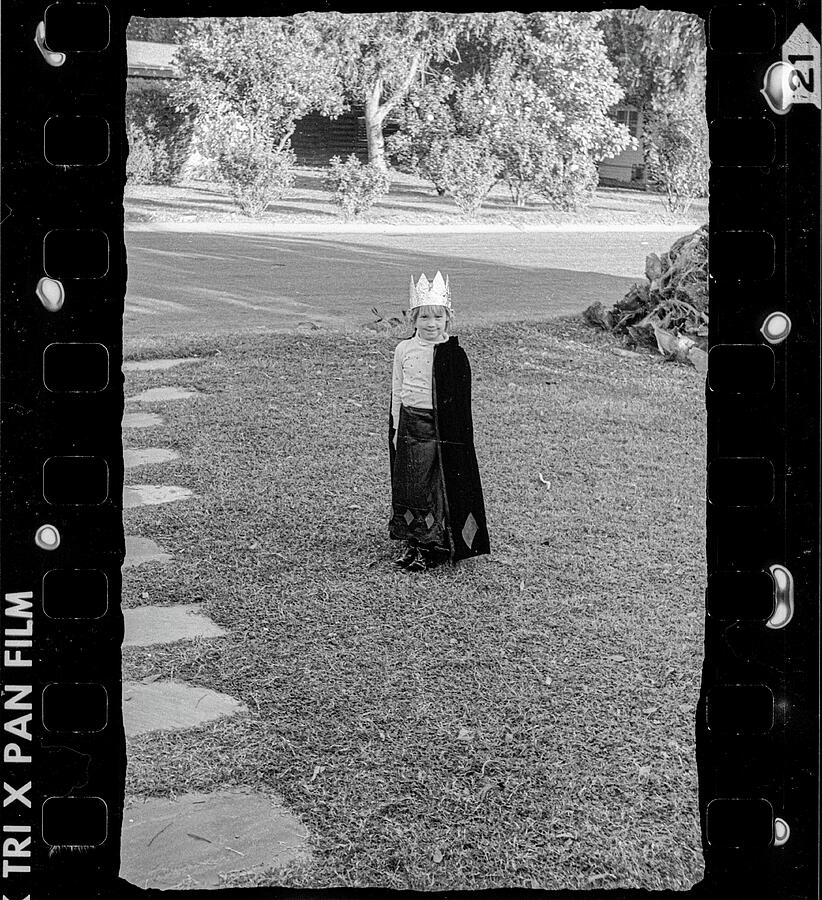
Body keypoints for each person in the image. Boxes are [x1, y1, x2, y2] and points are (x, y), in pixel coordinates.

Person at [388, 271, 490, 572]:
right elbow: (397, 390)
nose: (431, 323)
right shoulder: (403, 350)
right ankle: (414, 540)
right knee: (412, 484)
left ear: (448, 319)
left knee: (438, 484)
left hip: (442, 428)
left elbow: (460, 406)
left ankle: (435, 544)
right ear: (413, 319)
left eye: (438, 317)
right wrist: (396, 427)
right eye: (424, 317)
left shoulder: (453, 355)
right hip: (411, 425)